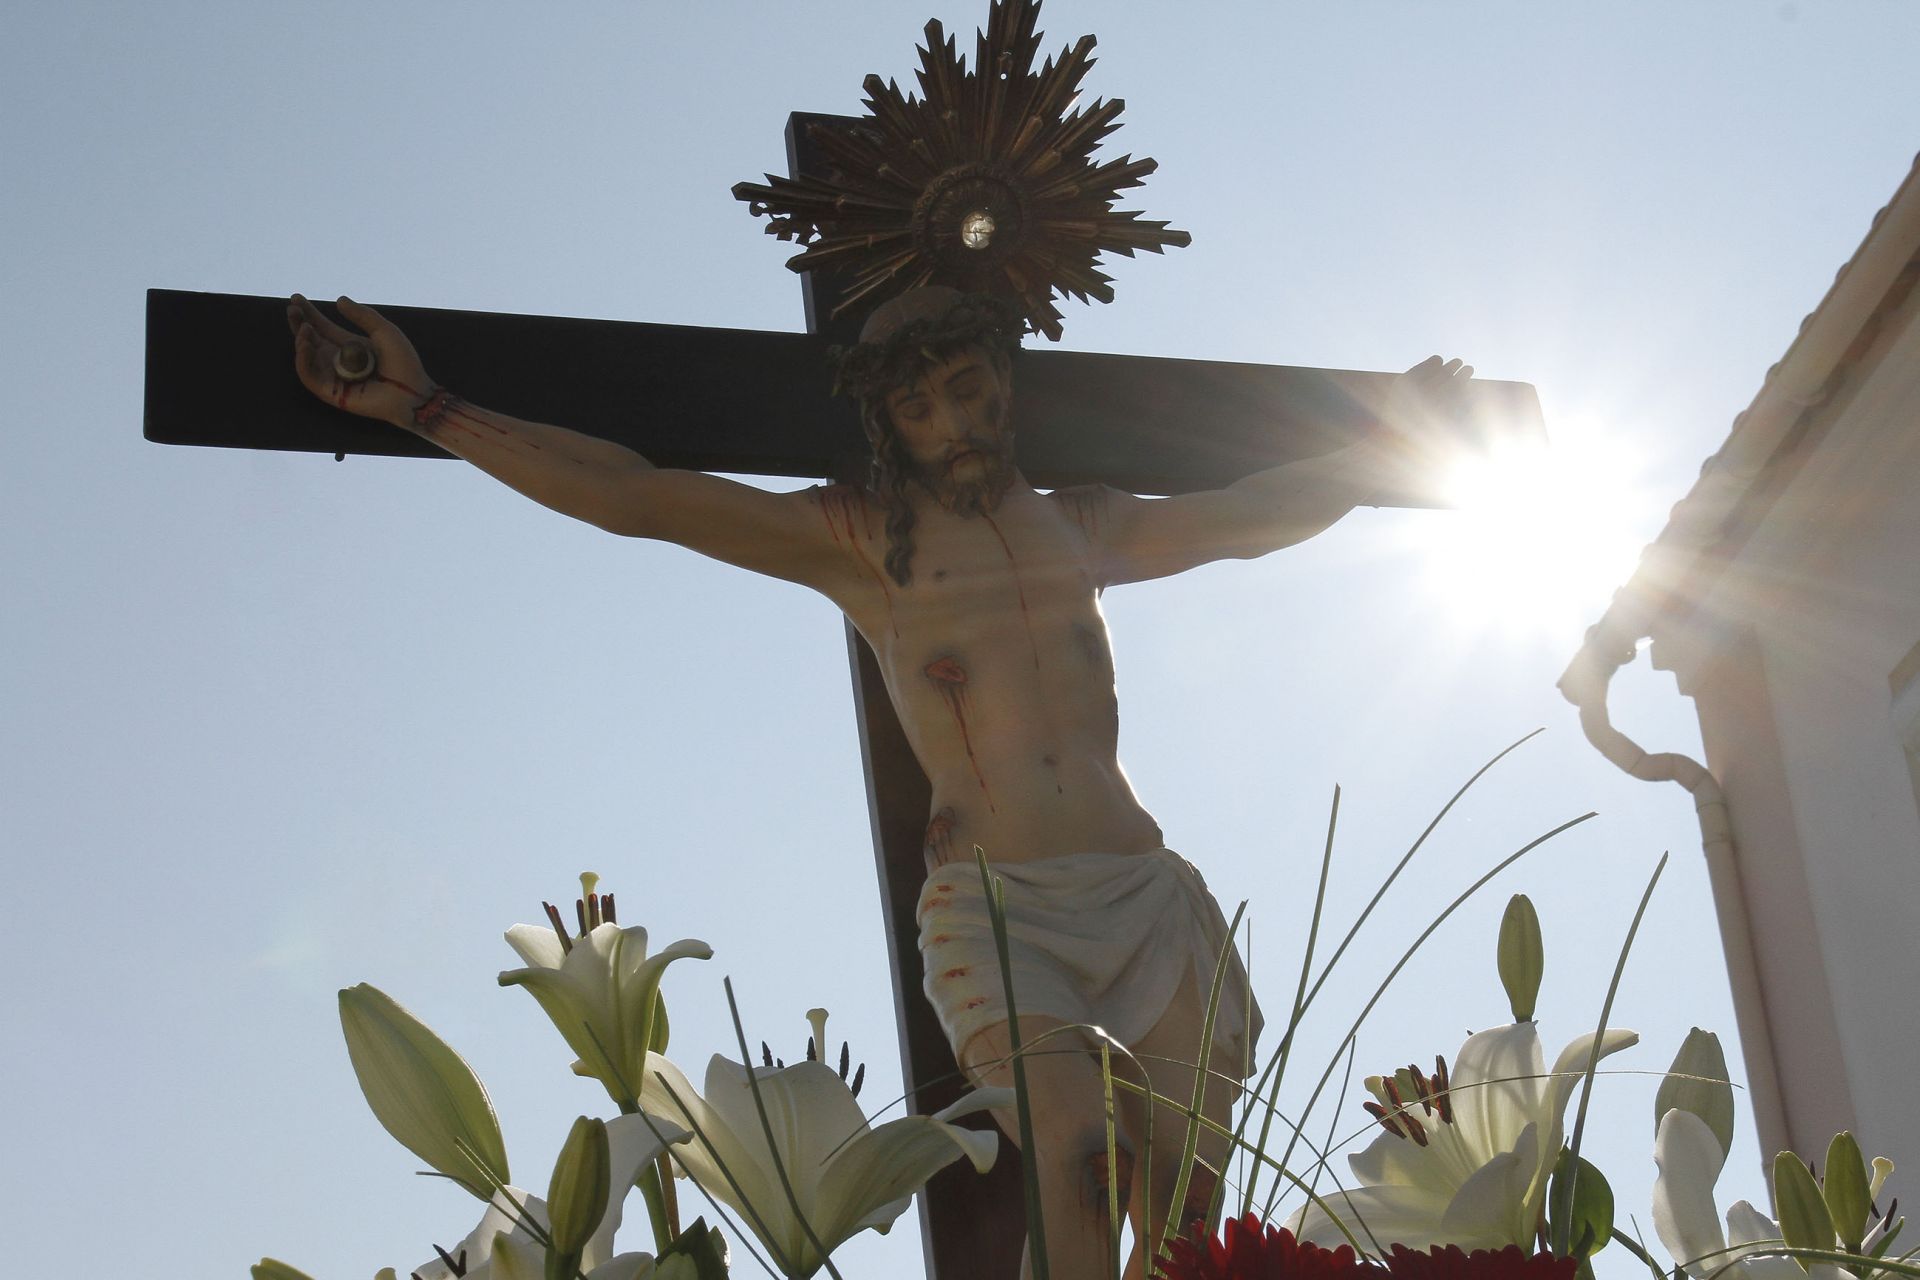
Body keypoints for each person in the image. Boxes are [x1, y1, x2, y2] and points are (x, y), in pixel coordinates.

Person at [287, 285, 1472, 1279]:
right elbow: (637, 496)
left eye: (965, 388)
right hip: (1002, 909)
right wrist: (423, 403)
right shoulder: (859, 547)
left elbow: (1258, 513)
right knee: (1069, 1150)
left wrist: (1395, 437)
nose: (949, 420)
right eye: (916, 403)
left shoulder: (1083, 528)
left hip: (1148, 892)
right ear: (886, 425)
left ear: (1003, 386)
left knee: (1186, 1214)